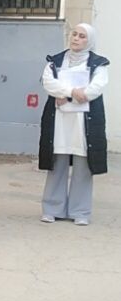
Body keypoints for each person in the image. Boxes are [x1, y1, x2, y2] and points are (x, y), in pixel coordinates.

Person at [38, 23, 109, 225]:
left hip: (84, 122)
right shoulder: (55, 61)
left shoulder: (98, 64)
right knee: (57, 163)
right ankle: (52, 208)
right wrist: (71, 92)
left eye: (82, 36)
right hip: (59, 120)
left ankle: (80, 212)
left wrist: (67, 96)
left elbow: (95, 89)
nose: (76, 38)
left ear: (90, 41)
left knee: (82, 166)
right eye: (74, 34)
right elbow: (48, 83)